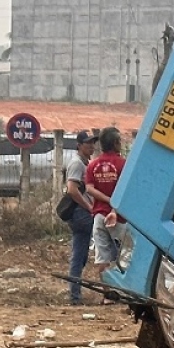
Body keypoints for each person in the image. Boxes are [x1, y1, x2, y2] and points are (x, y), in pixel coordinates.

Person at [85, 127, 126, 273]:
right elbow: (126, 190)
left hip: (99, 217)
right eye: (119, 141)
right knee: (126, 258)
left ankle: (105, 294)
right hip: (118, 217)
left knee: (102, 259)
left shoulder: (93, 165)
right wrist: (113, 202)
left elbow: (89, 188)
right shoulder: (123, 164)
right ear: (115, 143)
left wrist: (107, 200)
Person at [64, 130, 98, 305]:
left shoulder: (85, 163)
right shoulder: (77, 164)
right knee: (102, 244)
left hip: (82, 212)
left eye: (93, 143)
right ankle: (75, 294)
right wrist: (89, 207)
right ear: (79, 146)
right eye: (88, 143)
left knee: (81, 253)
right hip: (80, 212)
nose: (91, 146)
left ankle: (75, 292)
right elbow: (71, 189)